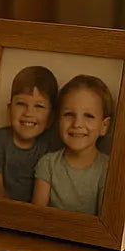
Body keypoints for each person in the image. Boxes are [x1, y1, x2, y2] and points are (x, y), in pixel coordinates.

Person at [32, 75, 114, 215]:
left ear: (104, 126)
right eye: (69, 114)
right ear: (58, 120)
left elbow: (105, 222)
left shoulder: (108, 170)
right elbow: (36, 216)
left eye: (88, 116)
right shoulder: (48, 164)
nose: (77, 124)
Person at [0, 65, 59, 201]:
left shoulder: (50, 147)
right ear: (9, 109)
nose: (28, 113)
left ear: (50, 118)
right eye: (21, 104)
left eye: (39, 106)